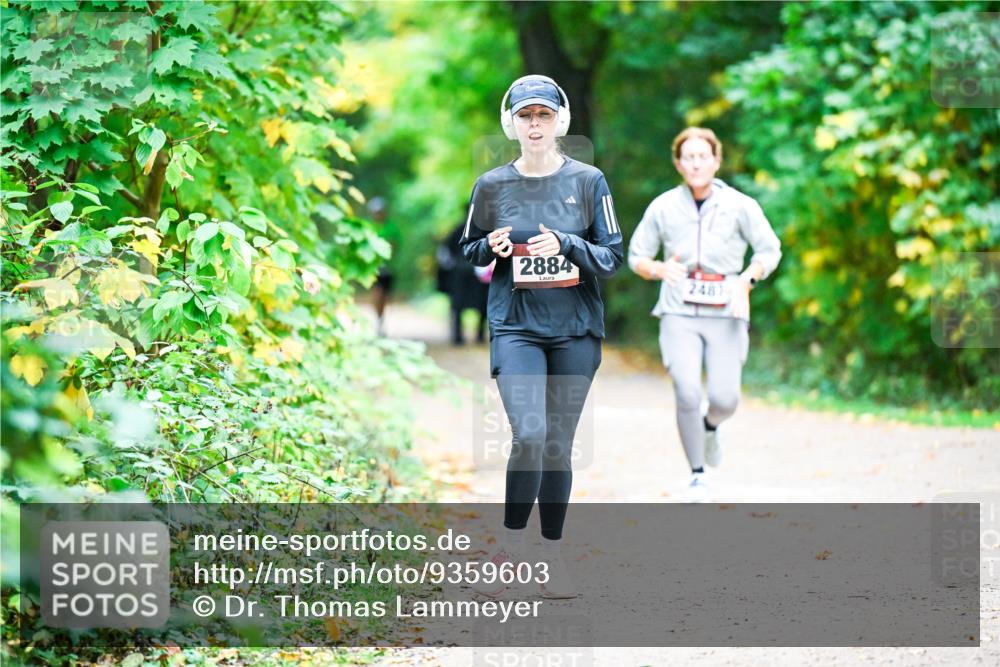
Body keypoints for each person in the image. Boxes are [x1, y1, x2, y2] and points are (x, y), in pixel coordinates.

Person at [460, 75, 623, 598]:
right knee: (529, 434)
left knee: (557, 444)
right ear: (512, 122)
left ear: (560, 122)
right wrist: (492, 245)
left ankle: (551, 555)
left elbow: (612, 256)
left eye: (544, 116)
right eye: (526, 116)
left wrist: (568, 242)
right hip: (516, 326)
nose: (535, 125)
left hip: (575, 328)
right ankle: (512, 549)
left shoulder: (589, 181)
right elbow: (468, 250)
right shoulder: (491, 185)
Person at [628, 127, 781, 498]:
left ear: (716, 160)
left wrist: (747, 279)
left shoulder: (741, 205)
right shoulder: (663, 206)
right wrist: (659, 269)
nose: (696, 163)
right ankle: (697, 474)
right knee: (687, 391)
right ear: (679, 164)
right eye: (688, 157)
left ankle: (711, 427)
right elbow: (636, 256)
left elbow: (769, 250)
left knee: (726, 398)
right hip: (678, 310)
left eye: (703, 156)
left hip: (727, 310)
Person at [437, 221, 489, 345]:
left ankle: (457, 336)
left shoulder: (458, 228)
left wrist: (450, 266)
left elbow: (445, 251)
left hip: (459, 272)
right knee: (482, 304)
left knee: (458, 305)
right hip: (478, 270)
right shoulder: (484, 228)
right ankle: (480, 336)